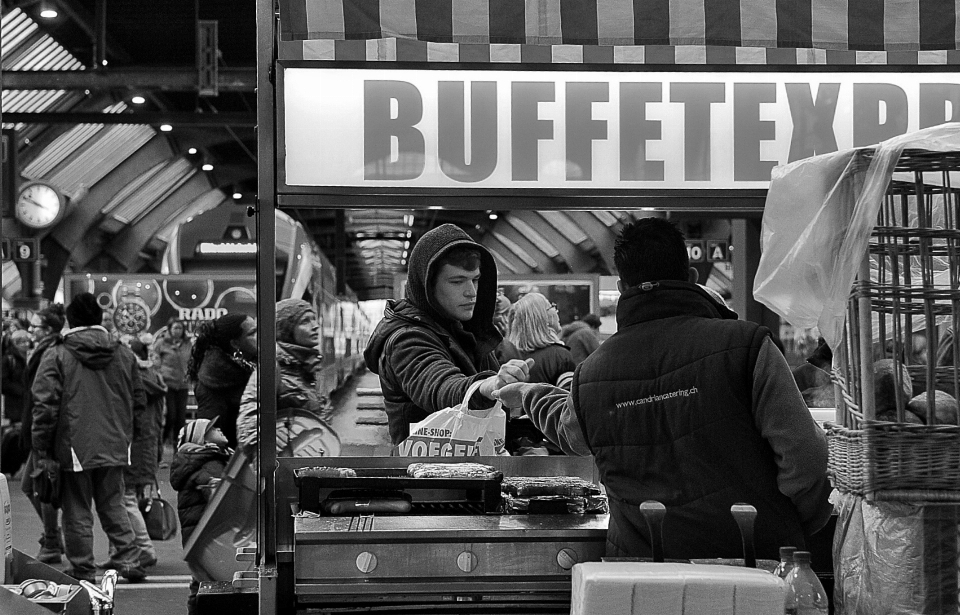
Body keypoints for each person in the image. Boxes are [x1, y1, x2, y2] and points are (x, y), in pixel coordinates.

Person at [495, 218, 833, 562]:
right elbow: (805, 455)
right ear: (692, 279)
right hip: (753, 559)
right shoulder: (748, 347)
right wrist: (792, 521)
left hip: (646, 568)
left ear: (624, 286)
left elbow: (571, 431)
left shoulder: (592, 374)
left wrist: (526, 392)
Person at [363, 223, 533, 445]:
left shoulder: (464, 331)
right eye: (457, 281)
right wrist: (486, 387)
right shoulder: (406, 339)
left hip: (463, 470)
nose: (471, 292)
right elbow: (440, 387)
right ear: (428, 285)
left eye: (475, 280)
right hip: (425, 475)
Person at [31, 293, 148, 583]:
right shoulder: (122, 352)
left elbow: (45, 404)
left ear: (70, 320)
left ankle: (83, 568)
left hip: (74, 444)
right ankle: (130, 559)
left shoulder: (57, 353)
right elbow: (139, 398)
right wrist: (133, 437)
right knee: (113, 502)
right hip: (116, 442)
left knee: (77, 509)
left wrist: (41, 447)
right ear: (98, 319)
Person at [237, 298, 336, 456]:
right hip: (286, 467)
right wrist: (268, 442)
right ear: (286, 330)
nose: (315, 326)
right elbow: (247, 424)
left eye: (314, 319)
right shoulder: (272, 367)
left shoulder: (307, 369)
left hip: (308, 459)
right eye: (305, 321)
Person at [99, 339, 166, 571]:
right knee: (123, 500)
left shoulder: (132, 379)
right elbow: (159, 421)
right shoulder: (153, 377)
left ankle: (144, 550)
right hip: (146, 446)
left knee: (123, 499)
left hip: (132, 446)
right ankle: (119, 551)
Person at [170, 417, 232, 615]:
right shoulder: (209, 464)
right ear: (202, 439)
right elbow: (220, 499)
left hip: (199, 541)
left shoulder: (209, 460)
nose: (219, 429)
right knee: (208, 586)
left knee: (200, 584)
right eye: (212, 428)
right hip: (208, 542)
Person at [19, 305, 66, 564]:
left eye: (35, 326)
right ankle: (54, 536)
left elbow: (45, 399)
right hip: (39, 427)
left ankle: (51, 541)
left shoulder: (48, 353)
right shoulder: (43, 351)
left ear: (47, 330)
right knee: (30, 486)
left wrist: (40, 435)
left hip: (45, 430)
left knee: (42, 488)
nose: (31, 330)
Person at [503, 292, 576, 455]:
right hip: (548, 448)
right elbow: (569, 411)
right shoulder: (560, 356)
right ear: (543, 317)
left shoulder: (507, 357)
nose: (556, 311)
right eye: (551, 307)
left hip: (511, 447)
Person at [187, 313, 257, 449]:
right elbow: (212, 438)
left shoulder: (249, 366)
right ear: (235, 343)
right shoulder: (215, 377)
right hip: (235, 462)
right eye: (252, 333)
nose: (259, 337)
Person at [154, 318, 193, 446]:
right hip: (167, 384)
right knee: (171, 416)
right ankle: (162, 442)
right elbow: (155, 361)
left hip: (182, 385)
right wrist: (160, 376)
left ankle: (179, 446)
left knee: (181, 419)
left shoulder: (188, 344)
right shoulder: (161, 343)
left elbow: (192, 361)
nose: (177, 330)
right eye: (175, 328)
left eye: (180, 328)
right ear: (170, 329)